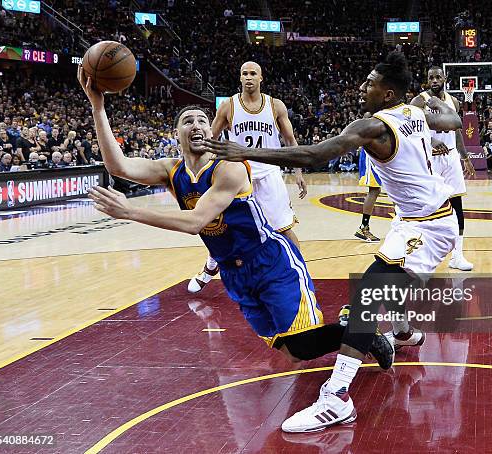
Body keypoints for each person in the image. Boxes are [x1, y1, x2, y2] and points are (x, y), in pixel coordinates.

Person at [77, 66, 393, 383]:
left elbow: (196, 221)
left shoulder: (229, 169)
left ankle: (362, 330)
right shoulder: (170, 170)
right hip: (234, 273)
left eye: (202, 120)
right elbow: (118, 166)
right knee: (294, 353)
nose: (197, 125)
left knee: (302, 342)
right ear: (178, 135)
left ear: (213, 132)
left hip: (270, 261)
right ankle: (359, 335)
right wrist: (98, 106)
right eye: (188, 122)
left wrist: (130, 211)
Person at [203, 51, 462, 432]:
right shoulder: (416, 114)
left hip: (429, 225)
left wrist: (246, 151)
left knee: (368, 297)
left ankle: (336, 396)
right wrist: (433, 98)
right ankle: (404, 333)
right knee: (385, 284)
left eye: (370, 82)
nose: (363, 87)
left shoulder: (373, 126)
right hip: (415, 220)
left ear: (388, 94)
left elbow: (315, 154)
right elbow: (454, 120)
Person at [188, 61, 308, 294]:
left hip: (270, 172)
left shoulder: (276, 106)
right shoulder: (228, 106)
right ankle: (210, 267)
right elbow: (212, 139)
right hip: (238, 174)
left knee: (283, 228)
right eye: (244, 73)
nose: (249, 77)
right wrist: (205, 171)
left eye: (253, 73)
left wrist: (298, 172)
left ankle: (300, 273)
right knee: (223, 226)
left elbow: (290, 142)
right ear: (240, 78)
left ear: (261, 78)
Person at [411, 67, 475, 271]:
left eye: (438, 77)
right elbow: (410, 129)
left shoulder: (453, 101)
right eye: (431, 77)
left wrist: (465, 157)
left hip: (451, 158)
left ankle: (457, 255)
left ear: (445, 78)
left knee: (457, 206)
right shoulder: (419, 101)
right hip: (429, 160)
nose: (435, 80)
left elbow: (457, 132)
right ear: (427, 80)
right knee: (425, 208)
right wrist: (431, 139)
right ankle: (418, 255)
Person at [355, 146, 381, 242]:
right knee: (374, 190)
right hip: (371, 152)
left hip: (380, 153)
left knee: (395, 187)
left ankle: (401, 224)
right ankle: (364, 227)